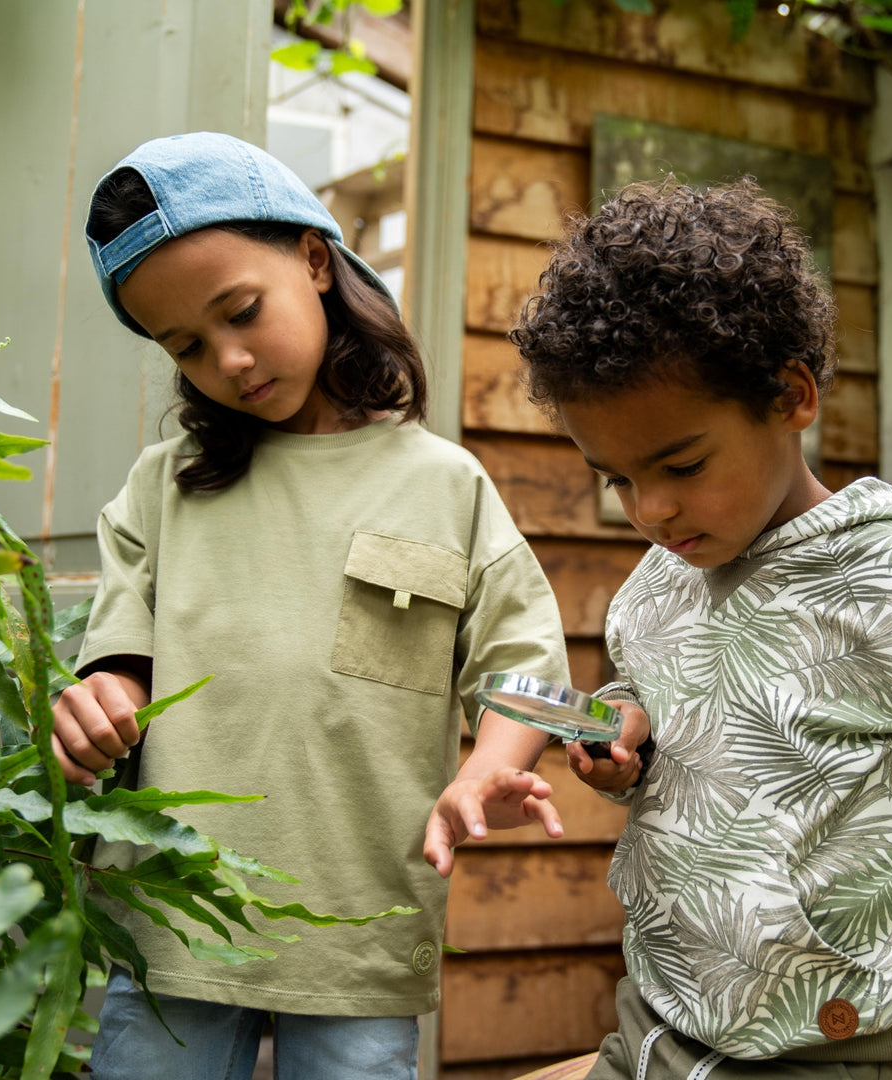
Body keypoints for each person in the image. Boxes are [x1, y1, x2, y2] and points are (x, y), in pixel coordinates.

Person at [509, 176, 892, 1080]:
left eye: (681, 464)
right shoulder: (657, 583)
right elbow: (672, 713)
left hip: (837, 1053)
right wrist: (627, 740)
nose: (649, 509)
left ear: (792, 396)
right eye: (614, 478)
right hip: (654, 1027)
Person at [53, 131, 568, 1080]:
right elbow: (119, 659)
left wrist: (485, 767)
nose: (232, 360)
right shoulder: (163, 488)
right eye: (188, 348)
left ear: (316, 260)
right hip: (174, 930)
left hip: (357, 935)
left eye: (242, 311)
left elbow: (522, 661)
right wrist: (100, 703)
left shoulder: (443, 485)